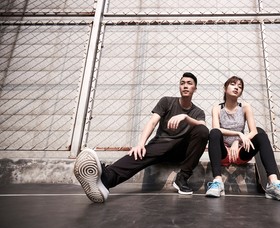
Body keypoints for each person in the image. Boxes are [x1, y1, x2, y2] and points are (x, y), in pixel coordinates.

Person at [74, 72, 209, 203]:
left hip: (181, 152)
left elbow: (203, 127)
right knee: (141, 152)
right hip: (160, 146)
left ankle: (182, 178)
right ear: (179, 87)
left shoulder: (198, 112)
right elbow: (152, 122)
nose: (185, 86)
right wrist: (140, 144)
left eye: (189, 83)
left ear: (195, 88)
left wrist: (185, 117)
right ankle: (106, 179)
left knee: (202, 131)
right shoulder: (167, 101)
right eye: (182, 83)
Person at [205, 76, 280, 201]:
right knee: (214, 133)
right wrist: (238, 134)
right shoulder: (217, 108)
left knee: (260, 135)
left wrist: (238, 141)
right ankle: (217, 182)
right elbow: (217, 129)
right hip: (224, 153)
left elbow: (253, 131)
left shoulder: (245, 107)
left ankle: (274, 184)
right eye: (233, 84)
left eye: (240, 86)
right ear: (225, 88)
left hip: (241, 152)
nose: (236, 87)